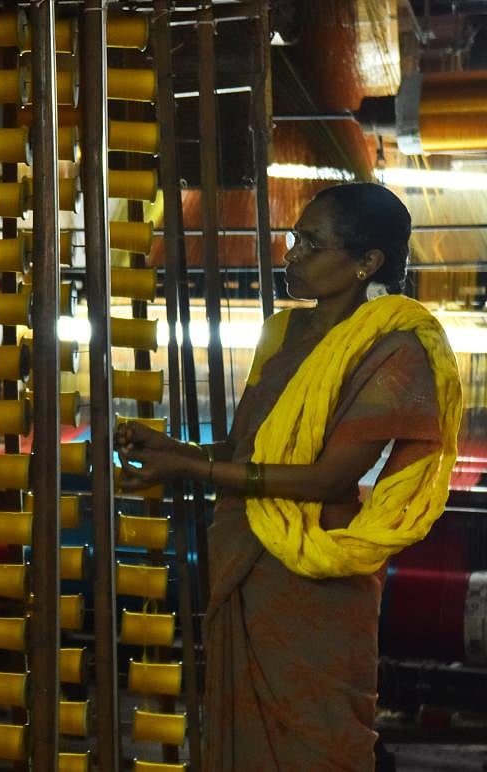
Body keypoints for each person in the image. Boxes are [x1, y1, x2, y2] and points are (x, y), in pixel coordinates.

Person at [116, 182, 463, 771]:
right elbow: (249, 448)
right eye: (294, 237)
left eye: (311, 242)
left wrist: (189, 467)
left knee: (315, 742)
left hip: (313, 575)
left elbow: (328, 479)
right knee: (241, 735)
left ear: (366, 262)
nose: (291, 253)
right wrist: (173, 448)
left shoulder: (394, 350)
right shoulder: (280, 333)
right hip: (246, 559)